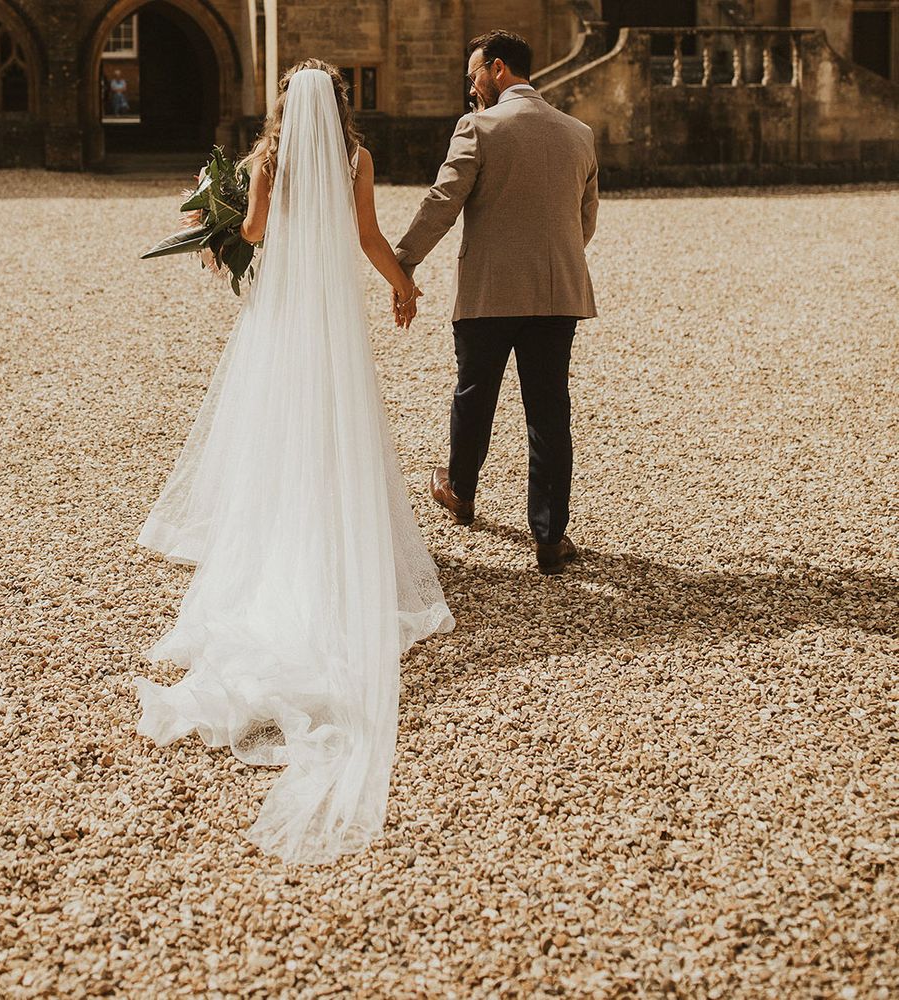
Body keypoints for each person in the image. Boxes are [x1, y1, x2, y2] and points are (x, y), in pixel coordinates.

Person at [132, 61, 454, 865]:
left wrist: (216, 220)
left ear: (285, 105)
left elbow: (252, 235)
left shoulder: (267, 160)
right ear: (338, 104)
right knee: (336, 421)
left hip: (282, 317)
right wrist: (403, 286)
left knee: (274, 425)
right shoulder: (356, 159)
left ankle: (278, 534)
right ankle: (338, 536)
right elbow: (368, 238)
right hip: (332, 318)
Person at [393, 30, 599, 576]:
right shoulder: (579, 133)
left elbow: (443, 200)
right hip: (557, 293)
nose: (471, 88)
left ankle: (460, 492)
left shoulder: (478, 128)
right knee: (549, 411)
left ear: (499, 69)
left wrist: (404, 260)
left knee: (475, 393)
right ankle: (550, 537)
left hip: (489, 290)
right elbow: (584, 222)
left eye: (474, 75)